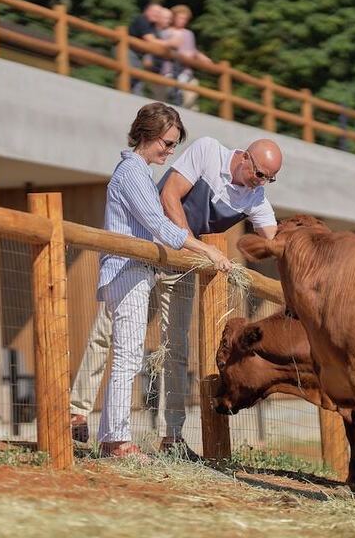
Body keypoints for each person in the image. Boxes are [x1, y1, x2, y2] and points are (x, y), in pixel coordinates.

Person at [72, 134, 283, 459]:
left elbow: (273, 240)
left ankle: (171, 435)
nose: (261, 183)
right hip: (149, 247)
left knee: (176, 347)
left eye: (270, 179)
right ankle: (77, 411)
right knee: (106, 330)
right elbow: (170, 194)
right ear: (244, 157)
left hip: (184, 264)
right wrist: (189, 244)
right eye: (259, 174)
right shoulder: (208, 152)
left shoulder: (256, 199)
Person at [96, 102, 231, 459]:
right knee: (127, 358)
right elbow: (159, 225)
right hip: (127, 271)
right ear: (148, 135)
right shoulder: (132, 173)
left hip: (135, 272)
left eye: (174, 145)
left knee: (127, 357)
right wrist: (207, 251)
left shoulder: (138, 171)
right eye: (167, 143)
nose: (170, 152)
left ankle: (112, 437)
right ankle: (116, 441)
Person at [128, 2, 180, 97]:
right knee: (131, 78)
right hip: (129, 52)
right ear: (147, 10)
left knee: (137, 81)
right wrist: (170, 43)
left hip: (137, 56)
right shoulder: (142, 19)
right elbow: (150, 40)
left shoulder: (151, 26)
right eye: (155, 12)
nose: (157, 15)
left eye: (158, 13)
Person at [165, 5, 211, 109]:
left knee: (190, 98)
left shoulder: (188, 34)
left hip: (186, 71)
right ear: (174, 17)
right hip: (171, 69)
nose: (183, 21)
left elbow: (192, 49)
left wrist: (202, 57)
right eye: (181, 18)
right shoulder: (167, 32)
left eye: (185, 19)